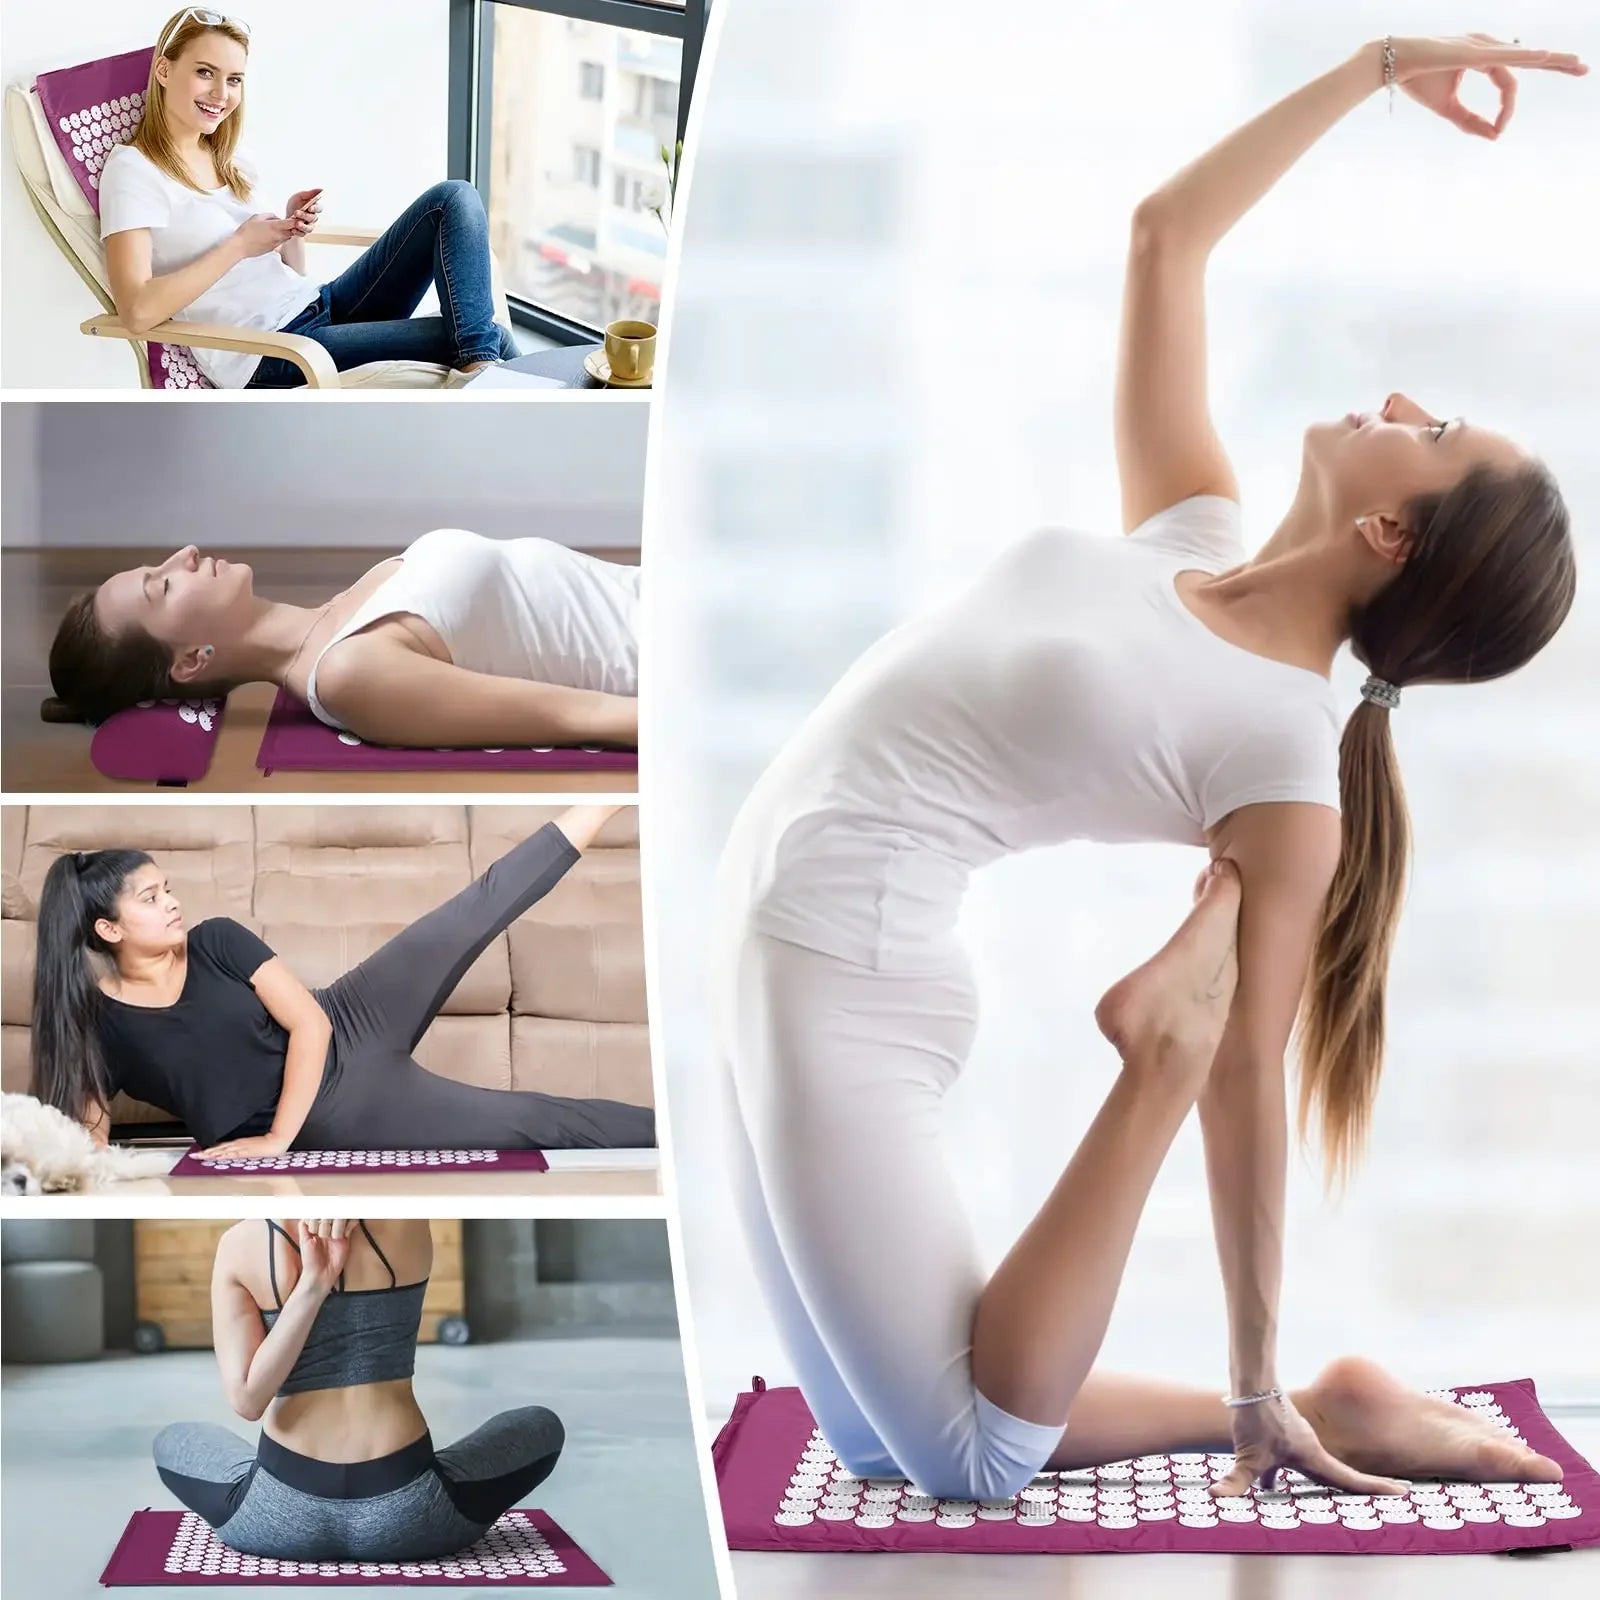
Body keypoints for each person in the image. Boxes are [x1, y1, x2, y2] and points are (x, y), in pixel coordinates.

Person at [711, 32, 1584, 1502]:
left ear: (1390, 535)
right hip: (767, 913)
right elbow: (1164, 237)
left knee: (967, 1453)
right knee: (866, 1436)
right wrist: (1376, 67)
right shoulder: (1188, 530)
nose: (1395, 399)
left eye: (1429, 432)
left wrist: (1252, 1375)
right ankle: (1343, 1403)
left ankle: (1159, 1082)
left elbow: (1253, 1079)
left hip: (844, 963)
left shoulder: (1286, 758)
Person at [31, 807, 654, 1157]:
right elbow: (87, 1142)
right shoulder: (100, 1027)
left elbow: (312, 1021)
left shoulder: (215, 939)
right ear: (109, 929)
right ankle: (676, 1134)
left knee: (470, 912)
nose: (171, 902)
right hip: (337, 1111)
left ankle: (609, 795)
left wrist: (277, 1139)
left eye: (166, 888)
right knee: (537, 1121)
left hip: (349, 1015)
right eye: (149, 897)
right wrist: (281, 1135)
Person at [100, 9, 518, 390]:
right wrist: (240, 244)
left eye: (234, 79)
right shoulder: (134, 170)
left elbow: (289, 274)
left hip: (318, 304)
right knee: (484, 337)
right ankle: (497, 391)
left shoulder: (231, 159)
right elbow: (136, 311)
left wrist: (289, 230)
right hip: (272, 352)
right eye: (205, 72)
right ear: (164, 70)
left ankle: (490, 385)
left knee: (453, 198)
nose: (221, 94)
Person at [154, 1218, 565, 1562]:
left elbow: (248, 1402)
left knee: (173, 1440)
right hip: (411, 1515)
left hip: (278, 1513)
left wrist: (312, 1285)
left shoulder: (240, 1245)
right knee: (540, 1425)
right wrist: (319, 1277)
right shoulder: (405, 1223)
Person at [44, 530, 639, 749]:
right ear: (192, 662)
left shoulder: (338, 612)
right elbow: (574, 715)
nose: (186, 554)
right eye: (164, 585)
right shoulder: (348, 676)